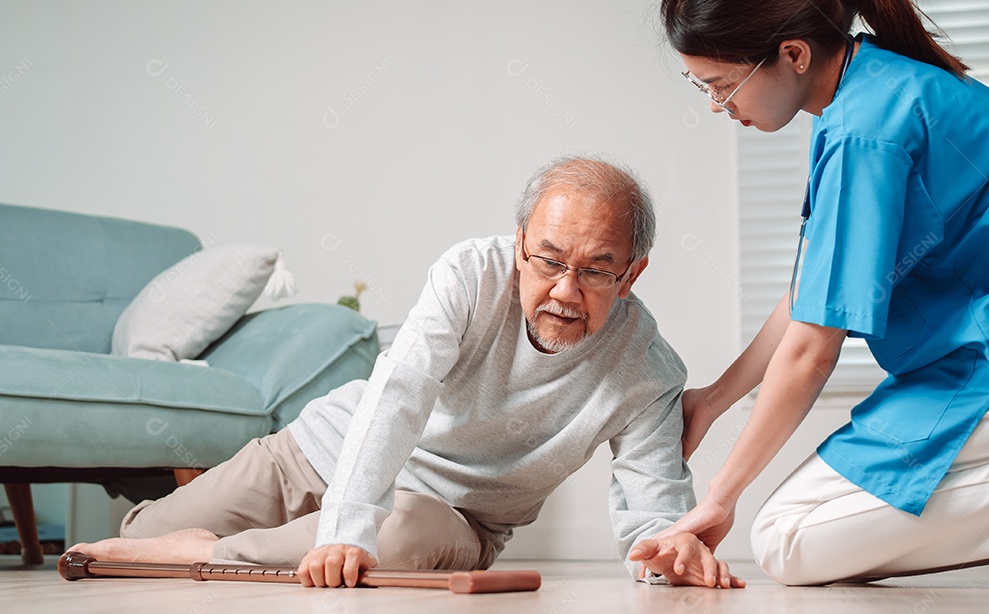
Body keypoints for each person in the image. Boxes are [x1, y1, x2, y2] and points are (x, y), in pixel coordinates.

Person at [69, 155, 745, 589]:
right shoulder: (468, 274)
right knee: (130, 544)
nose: (566, 290)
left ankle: (210, 557)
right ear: (518, 247)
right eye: (548, 260)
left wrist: (670, 557)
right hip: (318, 452)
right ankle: (184, 545)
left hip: (449, 514)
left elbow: (656, 516)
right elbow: (400, 391)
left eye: (597, 269)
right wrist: (344, 524)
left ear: (633, 274)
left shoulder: (647, 370)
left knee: (395, 536)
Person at [656, 0, 989, 585]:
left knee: (785, 537)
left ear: (793, 55)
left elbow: (813, 349)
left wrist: (721, 493)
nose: (716, 106)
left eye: (722, 86)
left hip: (973, 365)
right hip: (958, 364)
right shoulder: (870, 89)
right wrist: (712, 401)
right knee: (789, 531)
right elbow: (812, 295)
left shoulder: (866, 131)